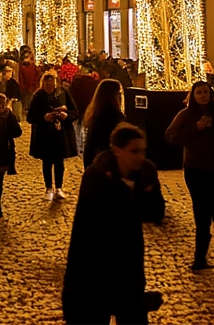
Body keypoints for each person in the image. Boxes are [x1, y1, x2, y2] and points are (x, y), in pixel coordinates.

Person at [62, 123, 165, 325]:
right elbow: (100, 220)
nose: (140, 157)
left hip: (129, 269)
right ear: (117, 150)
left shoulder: (145, 173)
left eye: (143, 151)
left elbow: (156, 211)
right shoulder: (96, 176)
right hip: (93, 271)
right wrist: (136, 194)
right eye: (134, 151)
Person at [165, 80, 214, 270]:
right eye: (199, 93)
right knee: (201, 213)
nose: (203, 96)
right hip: (195, 170)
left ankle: (211, 223)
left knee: (212, 208)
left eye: (205, 92)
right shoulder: (186, 115)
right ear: (193, 96)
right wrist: (195, 128)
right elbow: (171, 136)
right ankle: (200, 258)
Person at [27, 70, 78, 200]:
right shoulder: (38, 96)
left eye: (52, 83)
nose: (49, 86)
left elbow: (74, 112)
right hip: (44, 134)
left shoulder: (63, 93)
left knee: (59, 161)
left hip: (61, 133)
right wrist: (44, 117)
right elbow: (30, 116)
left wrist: (66, 116)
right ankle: (48, 188)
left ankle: (59, 188)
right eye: (47, 83)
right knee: (47, 162)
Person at [82, 78, 126, 168]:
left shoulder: (96, 113)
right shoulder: (113, 115)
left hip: (97, 160)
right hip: (108, 162)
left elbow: (90, 144)